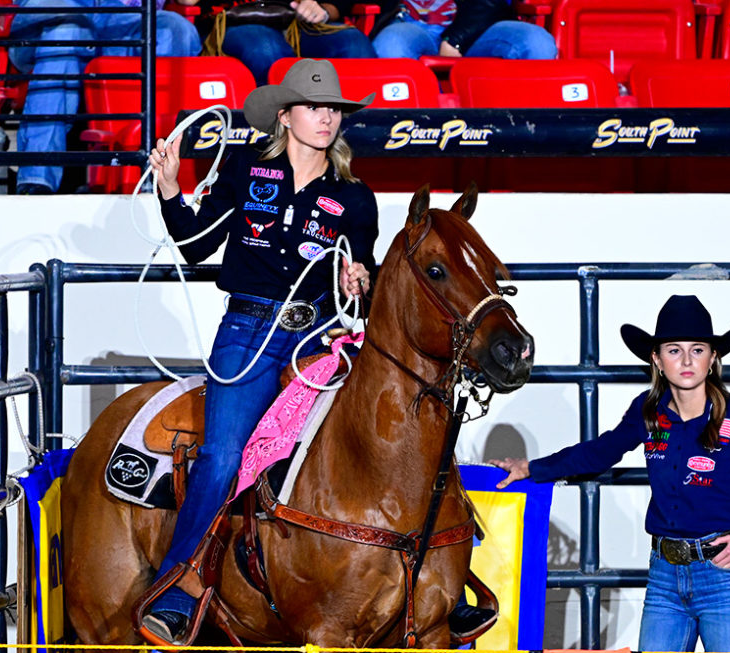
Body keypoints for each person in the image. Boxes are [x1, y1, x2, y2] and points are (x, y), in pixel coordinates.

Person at [141, 58, 378, 643]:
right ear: (285, 115)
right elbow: (196, 246)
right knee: (222, 457)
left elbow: (362, 272)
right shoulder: (247, 169)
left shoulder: (354, 197)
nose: (326, 118)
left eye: (334, 110)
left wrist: (357, 279)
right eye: (315, 107)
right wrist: (171, 190)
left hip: (317, 336)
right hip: (246, 332)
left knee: (352, 452)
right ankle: (178, 588)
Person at [491, 294, 730, 653]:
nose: (686, 360)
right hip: (664, 578)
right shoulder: (648, 411)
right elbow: (600, 451)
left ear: (713, 357)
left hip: (726, 578)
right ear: (656, 358)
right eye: (674, 350)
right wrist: (532, 467)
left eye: (697, 349)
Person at [10, 0, 202, 195]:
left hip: (125, 20)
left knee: (174, 30)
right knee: (67, 30)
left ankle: (154, 172)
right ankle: (36, 180)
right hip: (56, 13)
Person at [195, 0, 376, 85]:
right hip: (232, 23)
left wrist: (322, 9)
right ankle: (283, 140)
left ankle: (365, 138)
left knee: (353, 42)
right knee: (266, 47)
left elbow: (339, 5)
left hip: (296, 24)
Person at [370, 0, 556, 60]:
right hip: (411, 24)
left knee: (536, 41)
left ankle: (525, 134)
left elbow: (490, 4)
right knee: (392, 43)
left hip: (477, 26)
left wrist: (456, 39)